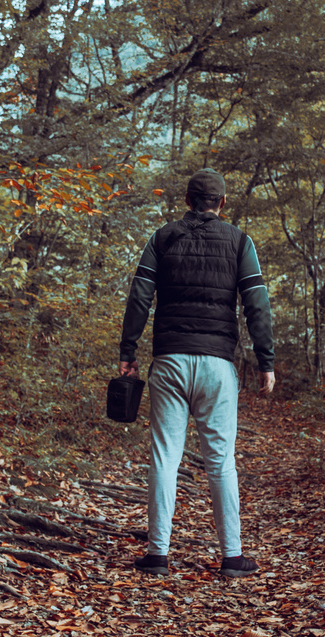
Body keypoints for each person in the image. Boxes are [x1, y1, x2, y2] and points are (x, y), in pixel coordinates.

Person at [119, 167, 275, 578]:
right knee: (220, 461)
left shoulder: (163, 237)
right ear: (222, 202)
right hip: (217, 366)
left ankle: (157, 555)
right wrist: (266, 361)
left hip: (169, 362)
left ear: (187, 200)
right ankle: (232, 557)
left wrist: (128, 350)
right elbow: (257, 305)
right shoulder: (240, 242)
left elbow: (139, 296)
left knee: (164, 457)